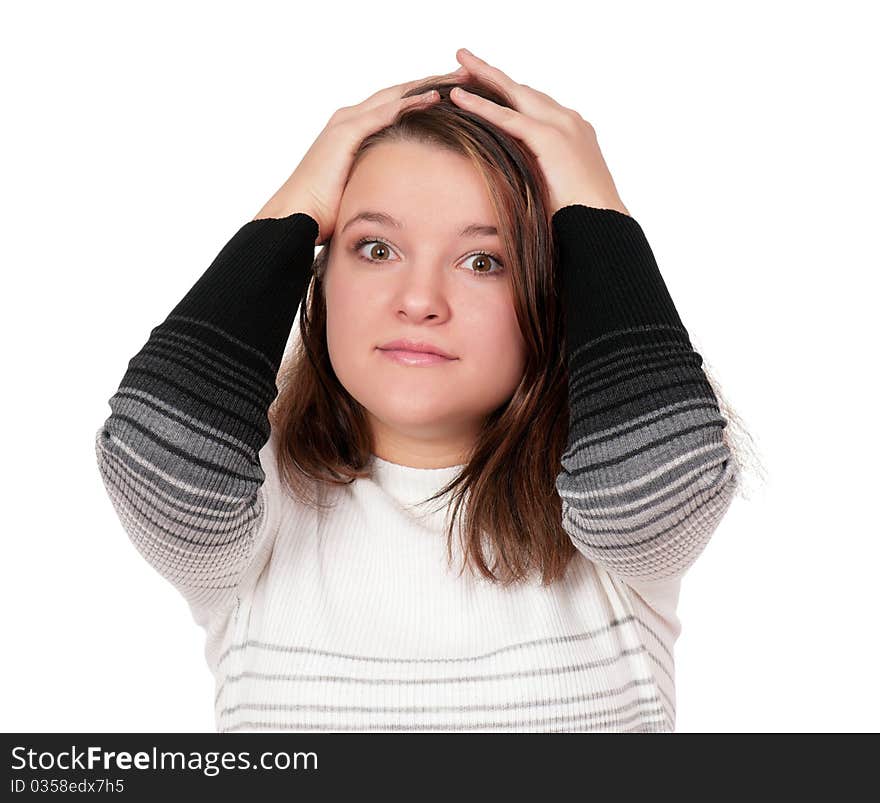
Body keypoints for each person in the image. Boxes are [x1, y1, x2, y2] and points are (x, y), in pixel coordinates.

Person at [94, 49, 742, 733]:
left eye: (483, 261)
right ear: (318, 273)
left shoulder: (611, 532)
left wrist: (593, 205)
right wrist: (293, 208)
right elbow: (154, 456)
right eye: (376, 248)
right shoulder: (255, 518)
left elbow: (658, 479)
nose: (420, 301)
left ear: (550, 296)